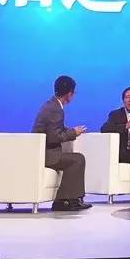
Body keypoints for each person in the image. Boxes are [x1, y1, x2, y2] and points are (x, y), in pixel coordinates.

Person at [31, 75, 91, 212]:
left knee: (75, 158)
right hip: (47, 154)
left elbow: (56, 129)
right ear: (69, 94)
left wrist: (72, 130)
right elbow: (54, 137)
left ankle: (68, 199)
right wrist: (73, 133)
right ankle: (66, 200)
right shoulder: (55, 109)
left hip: (44, 151)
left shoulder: (51, 104)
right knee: (78, 159)